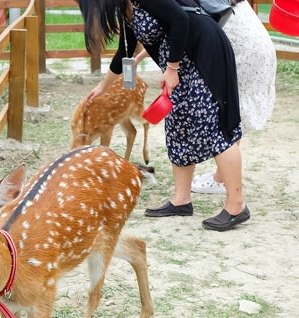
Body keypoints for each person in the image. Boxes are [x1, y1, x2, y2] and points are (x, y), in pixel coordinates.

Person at [79, 0, 249, 231]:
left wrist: (172, 69)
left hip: (203, 52)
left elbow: (181, 20)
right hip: (182, 63)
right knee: (177, 124)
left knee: (213, 127)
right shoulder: (126, 8)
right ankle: (181, 200)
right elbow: (125, 53)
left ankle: (236, 206)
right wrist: (102, 86)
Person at [191, 0, 277, 194]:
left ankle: (222, 180)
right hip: (259, 49)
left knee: (228, 116)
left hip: (242, 53)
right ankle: (220, 175)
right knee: (233, 114)